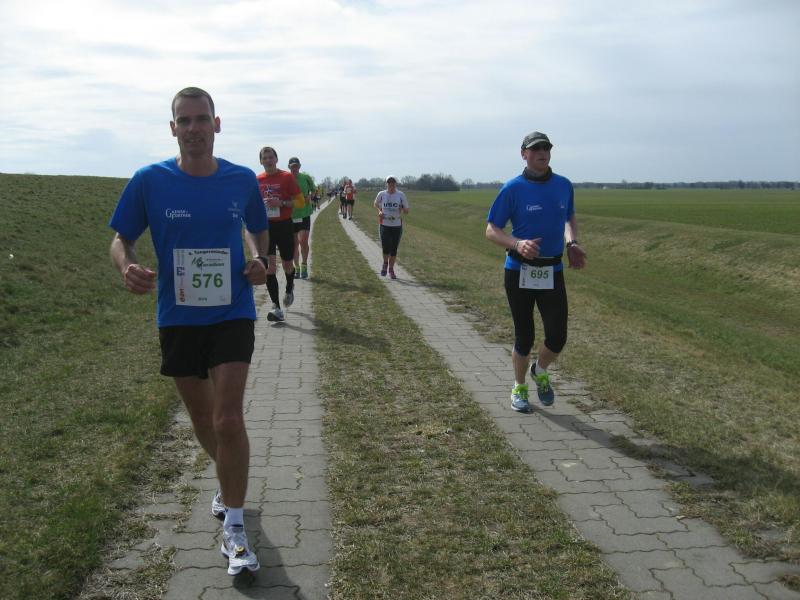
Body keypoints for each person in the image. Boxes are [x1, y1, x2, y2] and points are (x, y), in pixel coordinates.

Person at [109, 87, 267, 576]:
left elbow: (257, 228)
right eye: (185, 120)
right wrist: (126, 266)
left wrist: (261, 258)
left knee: (228, 419)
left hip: (232, 312)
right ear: (173, 128)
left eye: (202, 119)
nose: (194, 128)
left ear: (216, 124)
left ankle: (235, 527)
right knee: (203, 420)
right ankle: (228, 479)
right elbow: (121, 239)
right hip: (178, 317)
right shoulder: (149, 180)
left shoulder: (241, 179)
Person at [485, 131, 587, 413]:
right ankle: (519, 388)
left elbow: (568, 217)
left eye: (546, 148)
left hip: (552, 270)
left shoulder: (563, 185)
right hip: (519, 271)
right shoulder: (512, 188)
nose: (542, 152)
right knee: (525, 336)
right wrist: (517, 244)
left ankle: (539, 370)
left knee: (557, 336)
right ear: (524, 154)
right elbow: (491, 229)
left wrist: (572, 243)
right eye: (536, 148)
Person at [256, 147, 303, 322]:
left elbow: (300, 201)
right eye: (265, 158)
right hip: (266, 227)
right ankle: (276, 307)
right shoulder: (257, 180)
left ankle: (289, 287)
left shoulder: (286, 177)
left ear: (276, 159)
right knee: (269, 267)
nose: (268, 160)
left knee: (287, 265)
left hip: (284, 225)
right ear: (261, 161)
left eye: (271, 157)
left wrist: (281, 202)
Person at [373, 175, 409, 279]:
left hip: (397, 225)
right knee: (386, 247)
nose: (391, 184)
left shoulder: (401, 195)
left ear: (395, 184)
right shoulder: (381, 194)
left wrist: (402, 208)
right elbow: (375, 203)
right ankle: (385, 264)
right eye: (389, 182)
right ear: (386, 184)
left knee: (394, 249)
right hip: (384, 224)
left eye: (393, 182)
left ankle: (391, 269)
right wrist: (379, 211)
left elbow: (407, 211)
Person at [287, 157, 315, 280]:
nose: (294, 168)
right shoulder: (286, 178)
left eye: (296, 166)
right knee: (294, 244)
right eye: (292, 166)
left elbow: (314, 190)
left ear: (299, 166)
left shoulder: (305, 177)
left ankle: (304, 265)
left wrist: (310, 196)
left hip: (304, 214)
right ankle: (296, 268)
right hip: (291, 215)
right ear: (289, 167)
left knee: (303, 241)